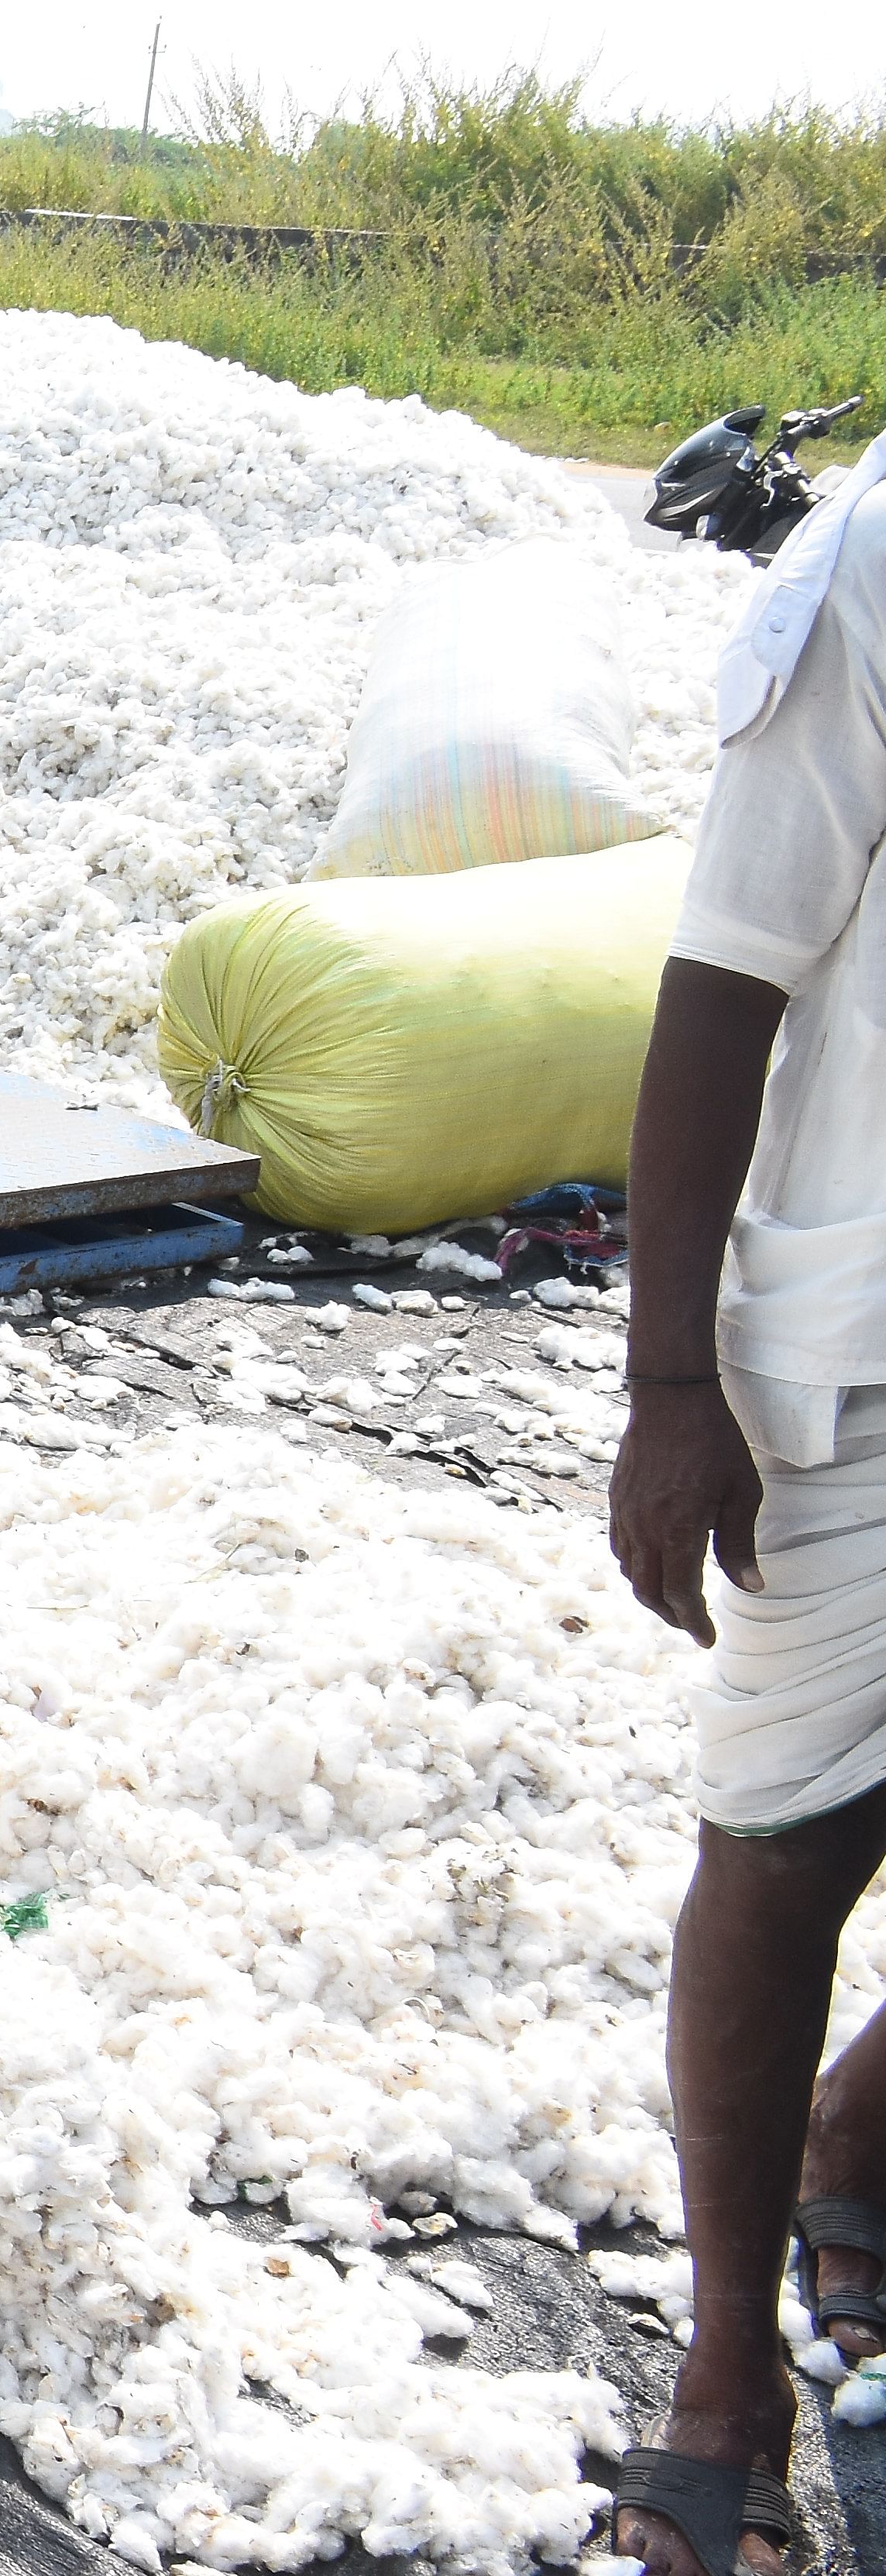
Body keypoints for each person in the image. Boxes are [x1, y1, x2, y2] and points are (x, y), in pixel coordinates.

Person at [603, 465, 886, 2576]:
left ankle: (855, 2148)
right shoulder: (873, 563)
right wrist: (671, 1384)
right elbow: (723, 980)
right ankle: (722, 2384)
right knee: (787, 1847)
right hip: (865, 1352)